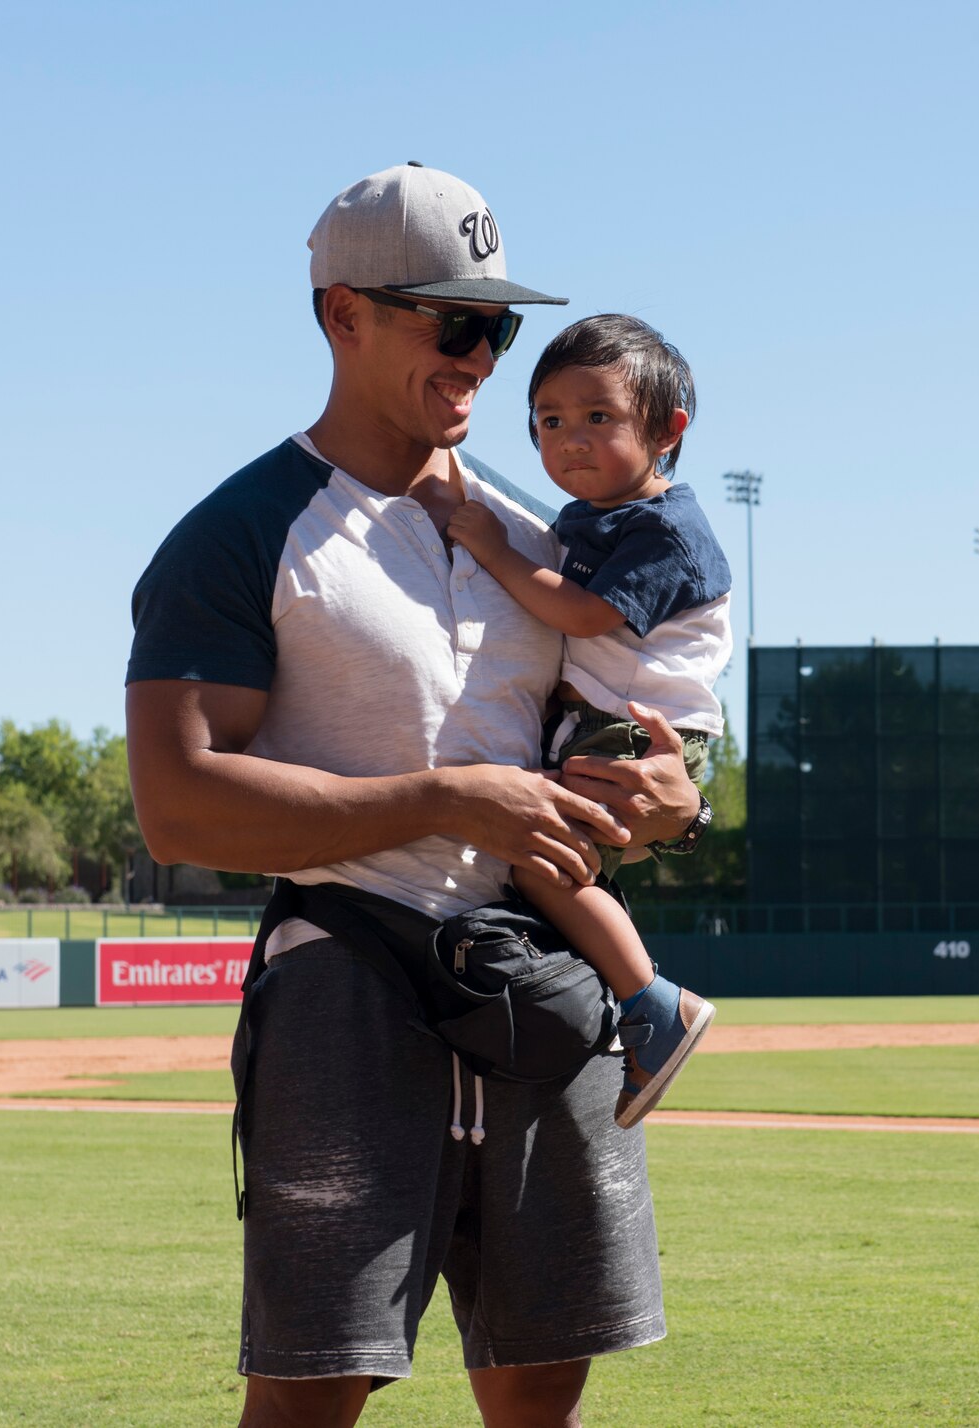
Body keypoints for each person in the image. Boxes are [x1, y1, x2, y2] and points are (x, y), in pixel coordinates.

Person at [124, 162, 709, 1428]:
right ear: (340, 314)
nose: (481, 357)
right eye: (450, 322)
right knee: (317, 1379)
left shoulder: (534, 531)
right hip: (347, 973)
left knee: (545, 1374)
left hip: (537, 973)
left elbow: (639, 737)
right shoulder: (239, 534)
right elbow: (179, 807)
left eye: (494, 326)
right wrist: (444, 800)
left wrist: (674, 798)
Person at [447, 314, 728, 1126]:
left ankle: (652, 1002)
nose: (569, 439)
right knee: (553, 867)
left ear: (669, 432)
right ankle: (633, 998)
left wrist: (495, 550)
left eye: (598, 418)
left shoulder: (666, 529)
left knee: (541, 864)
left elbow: (582, 615)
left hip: (637, 736)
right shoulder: (597, 515)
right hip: (609, 724)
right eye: (549, 420)